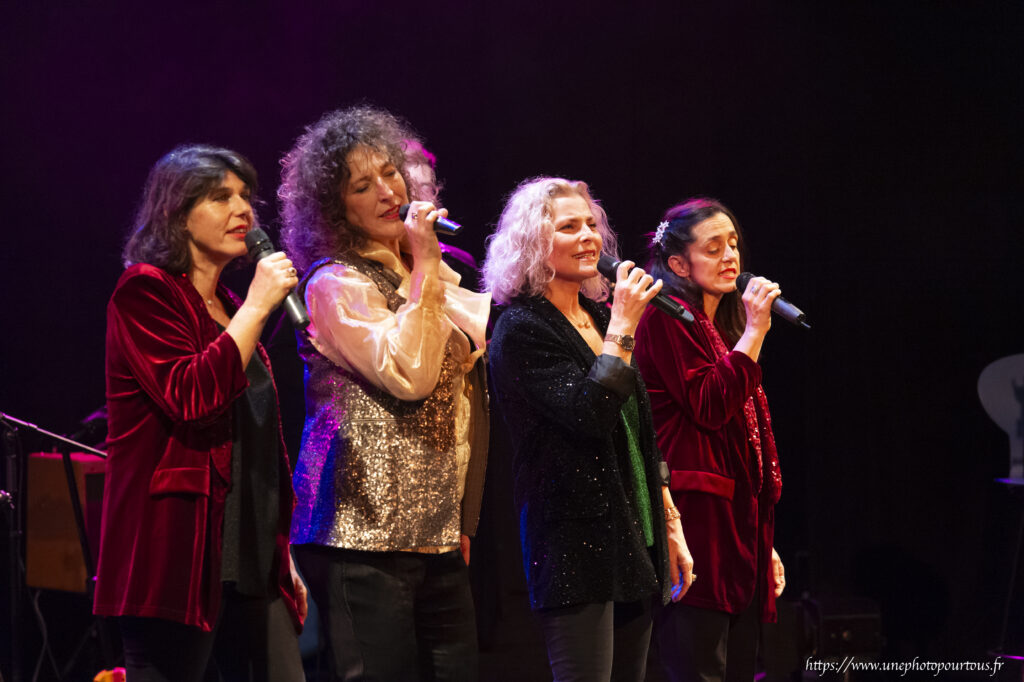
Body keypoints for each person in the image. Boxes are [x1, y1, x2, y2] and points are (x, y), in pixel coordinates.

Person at [279, 106, 490, 681]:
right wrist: (424, 262)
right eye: (362, 185)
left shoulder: (427, 276)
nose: (386, 191)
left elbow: (472, 386)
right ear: (335, 206)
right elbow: (411, 374)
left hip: (436, 536)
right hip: (360, 536)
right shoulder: (333, 283)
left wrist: (460, 520)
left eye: (390, 174)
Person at [94, 145, 306, 681]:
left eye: (245, 197)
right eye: (220, 197)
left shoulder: (233, 308)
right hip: (178, 556)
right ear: (177, 213)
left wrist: (283, 555)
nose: (244, 210)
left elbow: (257, 443)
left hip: (251, 558)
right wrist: (260, 306)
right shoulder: (145, 291)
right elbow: (190, 396)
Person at [482, 177, 694, 682]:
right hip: (576, 546)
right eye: (569, 226)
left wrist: (669, 523)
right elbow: (588, 413)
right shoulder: (522, 329)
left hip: (633, 538)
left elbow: (639, 430)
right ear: (534, 243)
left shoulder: (599, 317)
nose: (589, 237)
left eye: (592, 224)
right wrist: (623, 327)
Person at [633, 198, 786, 682]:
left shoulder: (714, 325)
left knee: (739, 666)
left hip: (735, 526)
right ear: (678, 263)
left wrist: (765, 541)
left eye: (734, 244)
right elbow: (709, 404)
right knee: (700, 665)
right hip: (696, 521)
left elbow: (746, 439)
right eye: (714, 247)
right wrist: (757, 330)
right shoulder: (665, 317)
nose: (730, 257)